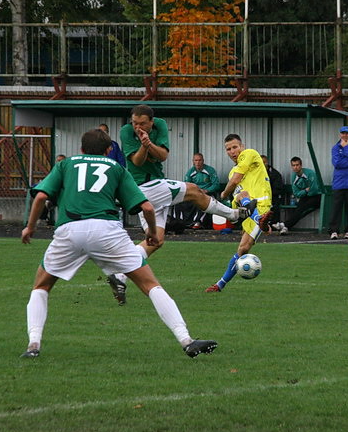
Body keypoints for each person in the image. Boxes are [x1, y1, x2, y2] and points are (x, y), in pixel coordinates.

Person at [19, 128, 217, 359]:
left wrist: (30, 227)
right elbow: (147, 207)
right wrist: (152, 233)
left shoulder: (66, 164)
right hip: (107, 231)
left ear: (81, 149)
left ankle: (33, 345)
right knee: (150, 284)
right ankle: (186, 340)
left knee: (41, 286)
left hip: (70, 230)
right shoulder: (116, 168)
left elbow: (41, 197)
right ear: (108, 150)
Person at [105, 176, 254, 305]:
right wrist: (148, 145)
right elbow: (151, 156)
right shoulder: (141, 144)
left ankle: (120, 275)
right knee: (194, 190)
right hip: (150, 186)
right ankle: (235, 215)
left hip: (145, 191)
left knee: (156, 240)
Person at [205, 134, 273, 293]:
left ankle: (262, 221)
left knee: (243, 195)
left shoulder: (250, 153)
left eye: (235, 147)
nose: (232, 151)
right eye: (228, 149)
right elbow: (236, 197)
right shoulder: (231, 173)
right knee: (242, 250)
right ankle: (219, 285)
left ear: (242, 146)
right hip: (249, 211)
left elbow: (235, 181)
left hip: (262, 204)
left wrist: (223, 194)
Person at [119, 104, 169, 185]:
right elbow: (137, 162)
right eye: (135, 123)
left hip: (158, 178)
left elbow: (163, 156)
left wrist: (148, 143)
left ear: (151, 122)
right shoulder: (126, 131)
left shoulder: (160, 124)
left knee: (193, 188)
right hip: (137, 181)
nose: (138, 128)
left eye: (142, 124)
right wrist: (145, 146)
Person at [272, 157, 322, 235]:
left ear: (301, 165)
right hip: (305, 196)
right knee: (299, 209)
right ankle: (286, 226)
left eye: (297, 165)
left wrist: (304, 192)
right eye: (293, 165)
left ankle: (284, 225)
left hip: (318, 196)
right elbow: (296, 193)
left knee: (301, 208)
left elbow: (314, 190)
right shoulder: (293, 176)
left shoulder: (310, 173)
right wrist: (305, 191)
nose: (295, 167)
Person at [181, 153, 220, 228]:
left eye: (199, 160)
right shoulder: (190, 172)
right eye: (196, 160)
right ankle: (186, 222)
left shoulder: (210, 170)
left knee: (202, 201)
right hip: (195, 193)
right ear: (193, 161)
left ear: (203, 161)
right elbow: (186, 185)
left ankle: (198, 221)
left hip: (208, 193)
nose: (198, 162)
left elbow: (216, 185)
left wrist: (206, 190)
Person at [260, 154, 284, 227]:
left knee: (275, 204)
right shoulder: (255, 173)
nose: (262, 164)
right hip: (259, 197)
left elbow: (278, 189)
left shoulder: (275, 174)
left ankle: (273, 224)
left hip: (272, 197)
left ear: (267, 163)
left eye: (264, 162)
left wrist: (267, 193)